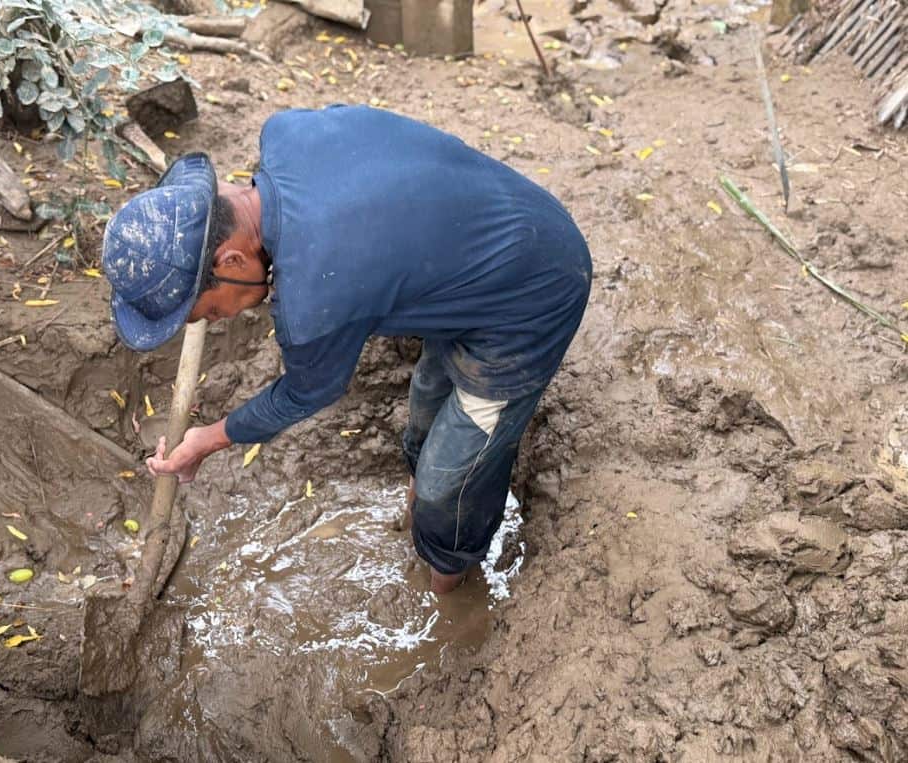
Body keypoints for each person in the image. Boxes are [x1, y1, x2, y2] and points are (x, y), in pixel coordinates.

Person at [101, 105, 591, 593]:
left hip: (534, 292)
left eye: (208, 311)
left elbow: (304, 392)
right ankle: (419, 525)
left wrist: (206, 440)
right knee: (426, 408)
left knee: (449, 484)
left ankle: (448, 585)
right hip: (481, 248)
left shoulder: (314, 293)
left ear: (230, 260)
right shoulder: (287, 133)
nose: (218, 320)